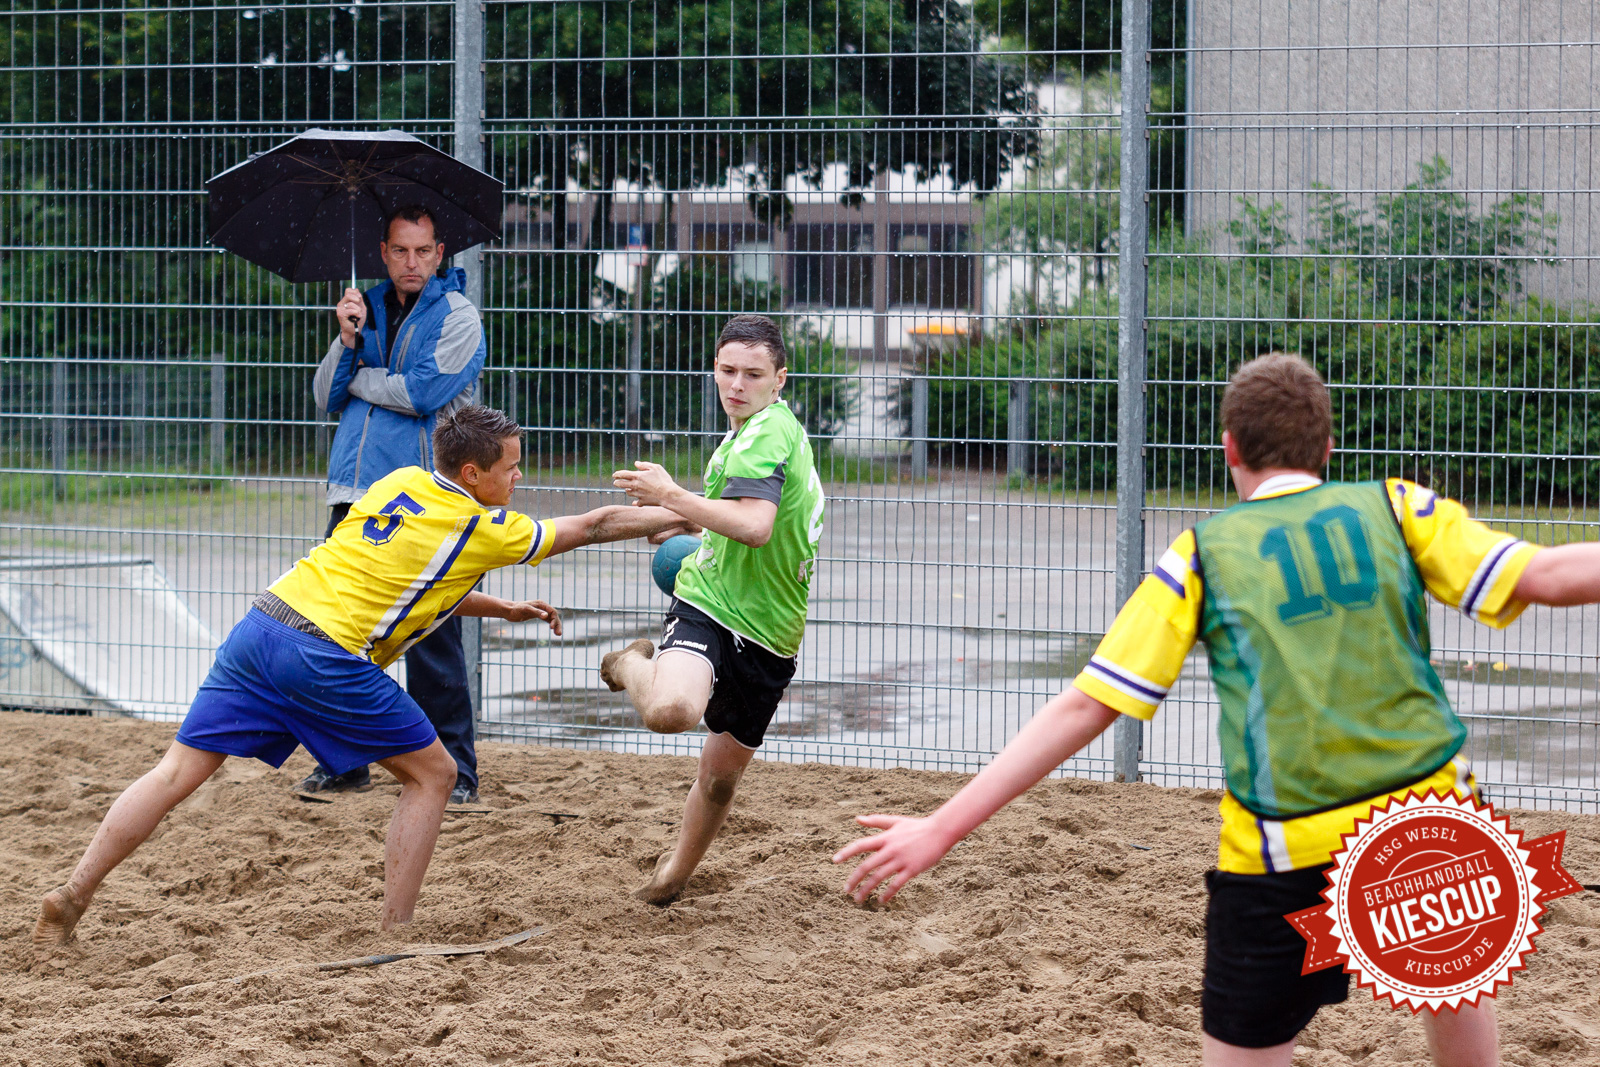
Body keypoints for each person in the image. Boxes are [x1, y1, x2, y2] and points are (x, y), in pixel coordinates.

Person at [834, 353, 1600, 1067]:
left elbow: (1087, 705)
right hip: (1432, 824)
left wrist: (940, 827)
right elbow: (1552, 574)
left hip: (1284, 851)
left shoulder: (1202, 553)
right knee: (1456, 1006)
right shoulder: (1395, 509)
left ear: (1229, 448)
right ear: (1327, 447)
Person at [33, 406, 696, 952]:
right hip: (321, 653)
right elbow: (596, 524)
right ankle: (396, 932)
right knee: (434, 775)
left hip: (263, 626)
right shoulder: (478, 523)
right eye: (512, 466)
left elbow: (396, 576)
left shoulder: (398, 483)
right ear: (473, 473)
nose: (519, 477)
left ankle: (72, 894)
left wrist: (501, 605)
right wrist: (685, 512)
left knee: (174, 772)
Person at [602, 314, 825, 905]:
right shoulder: (747, 433)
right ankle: (629, 664)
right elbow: (732, 517)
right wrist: (677, 519)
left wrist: (675, 499)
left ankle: (673, 877)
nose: (736, 384)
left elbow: (754, 526)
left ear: (780, 380)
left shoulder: (768, 432)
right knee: (671, 711)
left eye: (753, 374)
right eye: (727, 370)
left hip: (773, 630)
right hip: (708, 601)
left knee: (721, 780)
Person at [308, 204, 487, 803]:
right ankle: (345, 762)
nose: (412, 262)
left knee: (431, 635)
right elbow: (324, 395)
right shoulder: (366, 306)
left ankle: (457, 772)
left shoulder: (459, 316)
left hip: (418, 499)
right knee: (341, 636)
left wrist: (365, 376)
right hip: (352, 491)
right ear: (383, 252)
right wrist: (348, 339)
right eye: (401, 251)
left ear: (441, 254)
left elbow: (424, 393)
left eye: (424, 251)